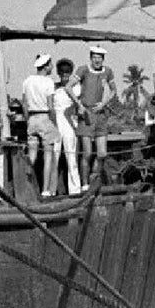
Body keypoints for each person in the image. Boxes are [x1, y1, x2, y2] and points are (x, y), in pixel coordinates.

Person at [74, 45, 119, 182]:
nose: (97, 60)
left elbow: (113, 91)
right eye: (94, 57)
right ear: (91, 58)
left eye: (99, 58)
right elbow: (69, 87)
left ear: (103, 59)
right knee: (87, 153)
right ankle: (85, 183)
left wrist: (103, 104)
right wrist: (79, 104)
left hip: (100, 114)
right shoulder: (83, 70)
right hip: (86, 114)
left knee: (102, 153)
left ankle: (94, 176)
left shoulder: (108, 72)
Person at [21, 53, 60, 198]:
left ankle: (26, 187)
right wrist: (54, 124)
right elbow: (50, 106)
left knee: (32, 156)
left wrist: (28, 120)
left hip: (32, 118)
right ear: (46, 66)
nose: (51, 67)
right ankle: (45, 190)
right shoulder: (48, 82)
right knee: (48, 156)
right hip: (44, 117)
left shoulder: (27, 81)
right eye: (50, 64)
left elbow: (24, 104)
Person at [51, 59, 85, 197]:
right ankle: (51, 190)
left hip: (70, 122)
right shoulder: (54, 88)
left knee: (71, 156)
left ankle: (75, 189)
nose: (65, 75)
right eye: (62, 72)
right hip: (55, 122)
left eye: (67, 72)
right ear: (59, 73)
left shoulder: (76, 88)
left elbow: (80, 105)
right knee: (54, 156)